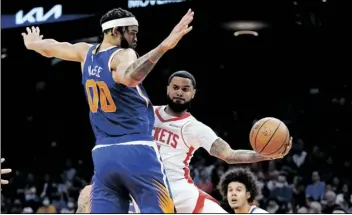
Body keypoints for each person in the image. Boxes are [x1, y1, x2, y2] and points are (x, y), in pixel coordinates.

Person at [22, 7, 194, 213]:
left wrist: (33, 44)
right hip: (136, 150)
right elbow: (130, 77)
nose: (135, 38)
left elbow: (51, 47)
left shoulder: (84, 52)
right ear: (115, 32)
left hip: (103, 156)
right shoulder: (123, 55)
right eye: (131, 32)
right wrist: (163, 47)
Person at [76, 71, 292, 213]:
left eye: (185, 89)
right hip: (142, 187)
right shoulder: (146, 114)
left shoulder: (194, 127)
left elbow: (228, 154)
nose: (179, 92)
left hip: (179, 190)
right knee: (86, 197)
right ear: (168, 89)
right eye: (176, 87)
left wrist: (265, 155)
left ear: (193, 93)